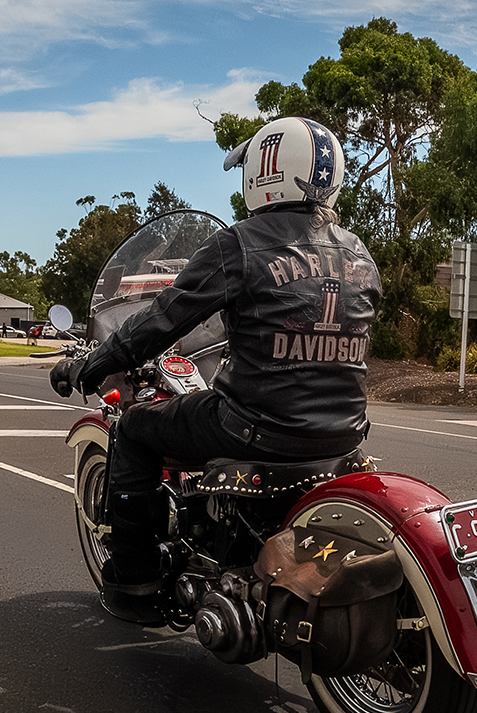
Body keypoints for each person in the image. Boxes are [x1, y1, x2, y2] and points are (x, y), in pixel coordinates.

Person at [49, 116, 381, 624]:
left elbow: (163, 318)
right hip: (343, 436)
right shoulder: (358, 252)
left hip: (256, 427)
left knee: (136, 429)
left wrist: (94, 364)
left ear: (264, 172)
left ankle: (135, 585)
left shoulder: (241, 243)